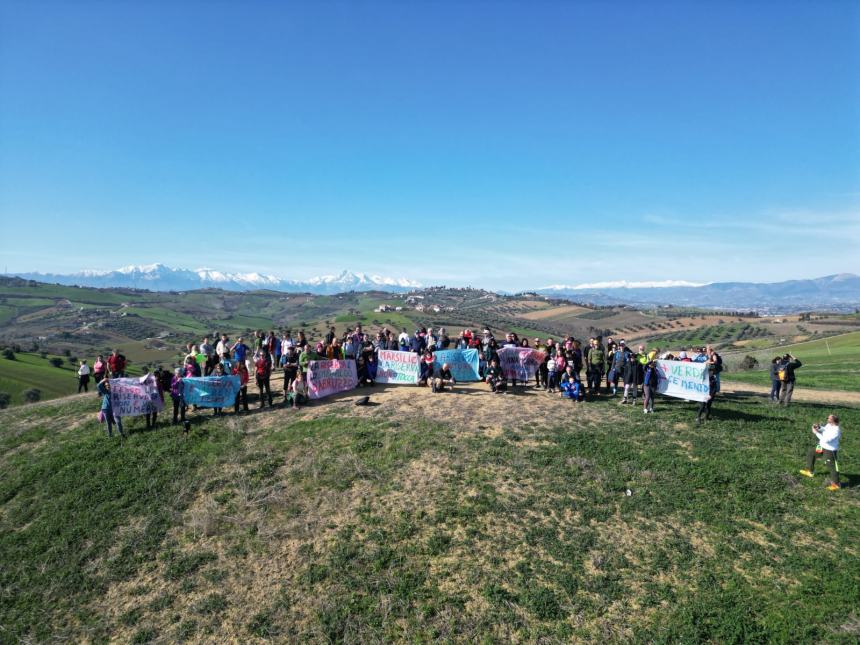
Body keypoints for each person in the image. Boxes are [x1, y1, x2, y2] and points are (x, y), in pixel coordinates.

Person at [799, 415, 842, 490]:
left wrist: (816, 433)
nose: (827, 419)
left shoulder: (836, 431)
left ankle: (836, 484)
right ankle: (809, 471)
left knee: (831, 465)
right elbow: (824, 429)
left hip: (829, 450)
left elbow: (826, 440)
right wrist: (819, 427)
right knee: (811, 453)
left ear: (833, 420)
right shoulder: (829, 425)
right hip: (821, 446)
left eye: (829, 418)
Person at [695, 355, 719, 425]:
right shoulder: (704, 376)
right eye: (710, 371)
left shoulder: (713, 379)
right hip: (704, 394)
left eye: (712, 371)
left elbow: (714, 388)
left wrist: (711, 395)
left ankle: (706, 417)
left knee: (708, 406)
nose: (711, 372)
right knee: (702, 405)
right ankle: (698, 418)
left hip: (710, 394)